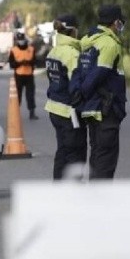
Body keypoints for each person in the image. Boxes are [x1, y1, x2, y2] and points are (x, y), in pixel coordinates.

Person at [72, 4, 127, 179]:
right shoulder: (109, 43)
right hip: (106, 108)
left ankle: (94, 198)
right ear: (115, 22)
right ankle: (101, 200)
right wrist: (85, 92)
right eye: (120, 20)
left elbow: (81, 71)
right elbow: (99, 74)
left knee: (96, 155)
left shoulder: (88, 41)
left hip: (92, 108)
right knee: (105, 159)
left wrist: (81, 96)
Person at [44, 14, 86, 180]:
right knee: (75, 154)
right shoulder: (71, 54)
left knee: (62, 151)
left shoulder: (53, 51)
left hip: (54, 109)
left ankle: (59, 188)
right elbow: (77, 85)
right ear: (73, 30)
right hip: (70, 112)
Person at [8, 30, 38, 120]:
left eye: (22, 39)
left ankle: (32, 113)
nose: (21, 41)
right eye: (19, 40)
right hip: (18, 75)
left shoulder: (31, 49)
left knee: (30, 95)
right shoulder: (13, 50)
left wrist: (29, 62)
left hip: (29, 75)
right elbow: (11, 64)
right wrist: (20, 63)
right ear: (17, 41)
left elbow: (35, 61)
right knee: (18, 96)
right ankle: (16, 113)